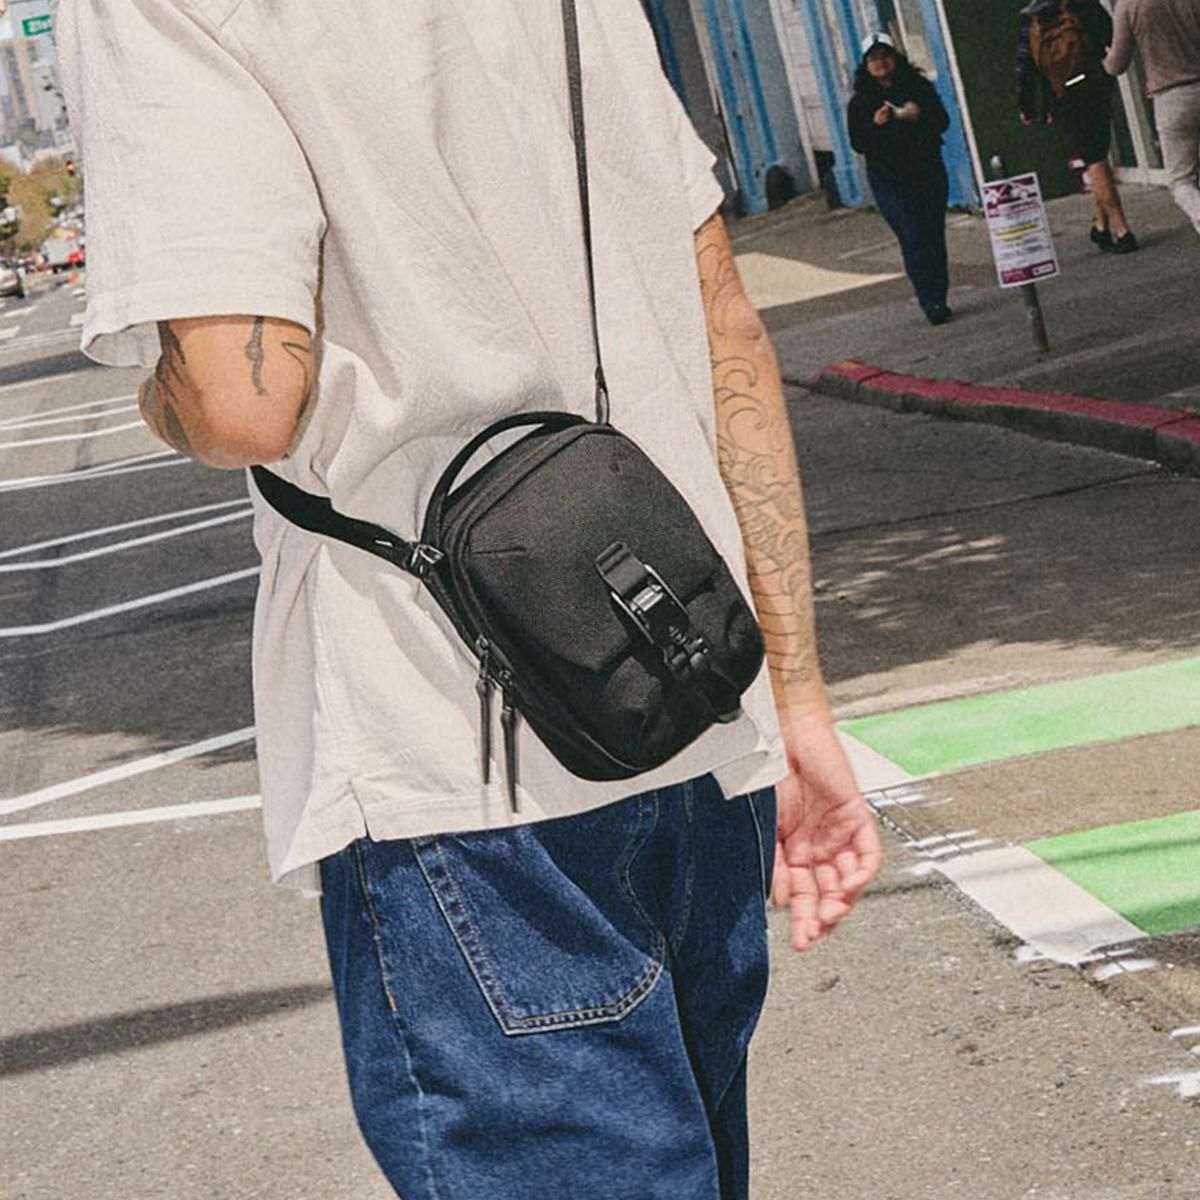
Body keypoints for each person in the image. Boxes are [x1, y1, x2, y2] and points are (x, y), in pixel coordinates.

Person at [58, 2, 881, 1197]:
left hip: (459, 752)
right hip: (689, 710)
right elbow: (726, 326)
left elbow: (244, 399)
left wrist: (158, 395)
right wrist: (798, 702)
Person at [847, 33, 953, 326]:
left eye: (886, 56)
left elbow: (942, 121)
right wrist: (876, 124)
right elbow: (858, 143)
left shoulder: (918, 88)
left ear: (896, 58)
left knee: (933, 235)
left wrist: (918, 115)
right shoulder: (861, 102)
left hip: (927, 171)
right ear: (865, 65)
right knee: (912, 235)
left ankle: (939, 297)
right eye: (873, 59)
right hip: (890, 179)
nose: (881, 63)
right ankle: (929, 300)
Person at [1017, 0, 1140, 252]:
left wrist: (1026, 107)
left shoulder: (1031, 21)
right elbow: (1111, 34)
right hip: (1095, 86)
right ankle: (1101, 227)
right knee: (1097, 157)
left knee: (1094, 160)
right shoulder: (1082, 5)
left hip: (1063, 97)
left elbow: (1024, 69)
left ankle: (1122, 230)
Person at [1104, 0, 1200, 238]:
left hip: (1171, 98)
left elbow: (1117, 65)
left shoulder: (1128, 6)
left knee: (1181, 181)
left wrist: (1106, 59)